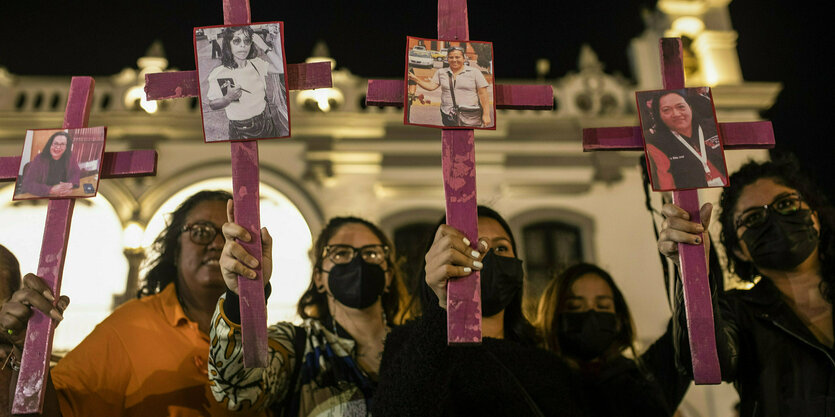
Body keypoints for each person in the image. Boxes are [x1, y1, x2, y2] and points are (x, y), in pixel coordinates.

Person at [0, 190, 264, 416]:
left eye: (233, 237)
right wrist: (29, 353)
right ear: (174, 250)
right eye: (201, 232)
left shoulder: (260, 335)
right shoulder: (130, 328)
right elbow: (58, 409)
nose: (218, 244)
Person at [658, 158, 835, 416]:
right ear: (739, 250)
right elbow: (707, 361)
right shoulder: (738, 311)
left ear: (815, 218)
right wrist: (692, 267)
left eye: (785, 204)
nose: (774, 219)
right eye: (753, 218)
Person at [371, 206, 587, 417]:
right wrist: (445, 307)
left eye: (502, 248)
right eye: (473, 248)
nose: (488, 256)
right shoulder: (410, 345)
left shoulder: (547, 364)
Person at [209, 206, 404, 416]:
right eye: (340, 253)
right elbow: (237, 390)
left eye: (371, 253)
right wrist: (244, 295)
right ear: (319, 277)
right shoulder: (298, 347)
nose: (358, 262)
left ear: (389, 276)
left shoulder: (414, 344)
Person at [535, 263, 690, 416]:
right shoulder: (535, 381)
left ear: (619, 320)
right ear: (552, 316)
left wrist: (686, 262)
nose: (591, 316)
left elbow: (692, 328)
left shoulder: (644, 380)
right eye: (575, 307)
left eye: (602, 306)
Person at [206, 25, 284, 140]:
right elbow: (212, 104)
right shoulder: (220, 73)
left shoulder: (256, 63)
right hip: (241, 131)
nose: (243, 45)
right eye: (236, 41)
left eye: (247, 41)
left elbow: (281, 68)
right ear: (228, 44)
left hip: (266, 124)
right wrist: (227, 98)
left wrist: (264, 46)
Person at [645, 90, 727, 190]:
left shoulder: (712, 127)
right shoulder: (657, 142)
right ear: (659, 116)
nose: (676, 114)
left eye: (681, 107)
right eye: (666, 110)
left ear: (690, 108)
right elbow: (666, 185)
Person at [408, 46, 492, 128]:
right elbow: (431, 86)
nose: (454, 60)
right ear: (447, 59)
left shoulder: (474, 72)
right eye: (451, 57)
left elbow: (483, 94)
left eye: (457, 57)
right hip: (448, 114)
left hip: (470, 114)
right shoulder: (441, 72)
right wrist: (415, 79)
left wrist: (486, 114)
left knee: (467, 137)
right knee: (451, 137)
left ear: (464, 59)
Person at [20, 131, 81, 197]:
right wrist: (50, 190)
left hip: (64, 195)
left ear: (66, 147)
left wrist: (71, 184)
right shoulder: (40, 159)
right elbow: (27, 184)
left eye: (62, 144)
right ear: (50, 144)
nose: (58, 147)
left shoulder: (70, 156)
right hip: (43, 196)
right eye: (55, 143)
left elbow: (76, 172)